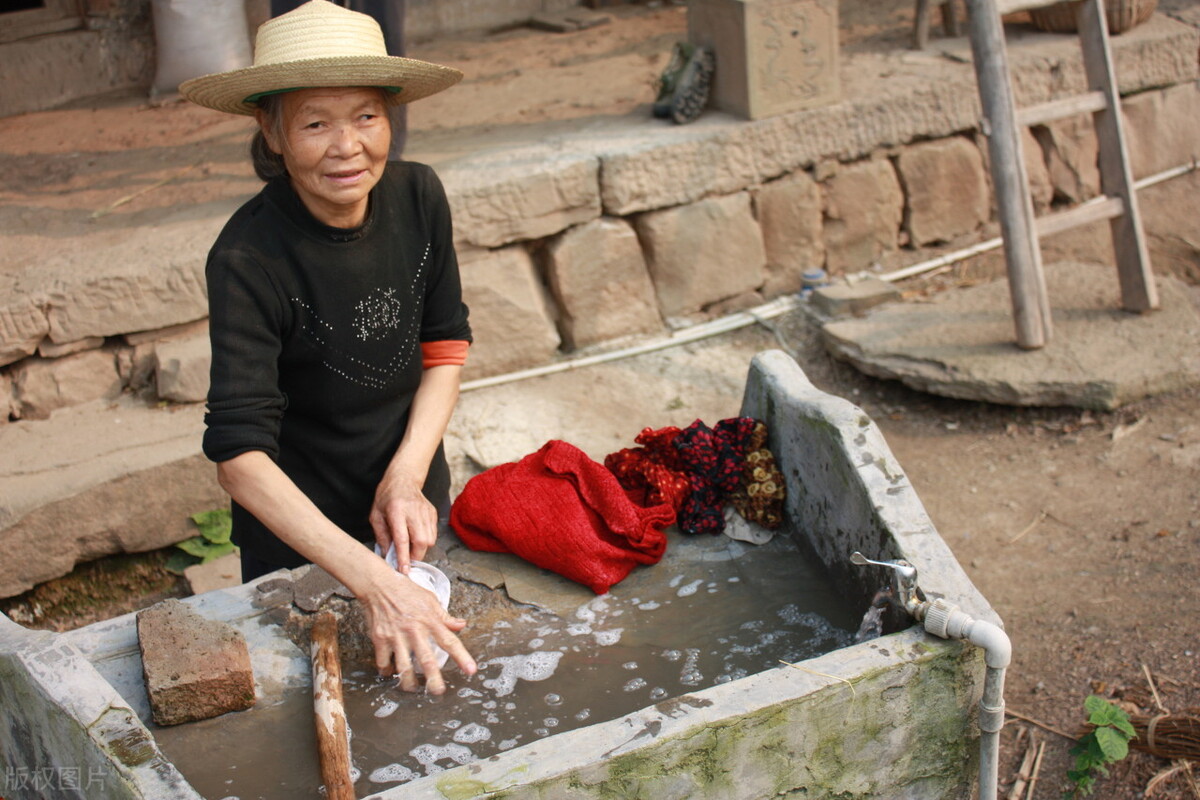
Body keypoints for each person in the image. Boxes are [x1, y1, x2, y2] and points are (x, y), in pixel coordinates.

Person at [179, 0, 475, 694]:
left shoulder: (419, 196)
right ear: (271, 129)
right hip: (301, 538)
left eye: (366, 116)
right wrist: (373, 584)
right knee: (317, 703)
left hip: (410, 516)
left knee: (428, 699)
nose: (347, 146)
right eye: (315, 122)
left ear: (390, 117)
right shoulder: (249, 258)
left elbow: (445, 348)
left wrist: (407, 477)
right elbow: (239, 459)